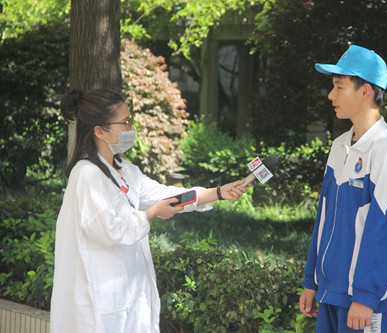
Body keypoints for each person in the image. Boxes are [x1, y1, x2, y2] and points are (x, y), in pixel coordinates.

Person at [50, 88, 247, 333]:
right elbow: (109, 230)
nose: (131, 128)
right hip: (96, 299)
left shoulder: (125, 170)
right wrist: (151, 213)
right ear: (99, 131)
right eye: (124, 122)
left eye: (130, 120)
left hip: (125, 295)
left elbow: (165, 195)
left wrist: (217, 192)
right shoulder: (87, 174)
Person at [299, 45, 387, 332]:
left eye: (339, 87)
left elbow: (386, 229)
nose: (331, 95)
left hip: (363, 303)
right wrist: (311, 281)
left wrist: (366, 295)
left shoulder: (385, 149)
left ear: (366, 92)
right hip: (331, 294)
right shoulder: (339, 146)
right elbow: (324, 219)